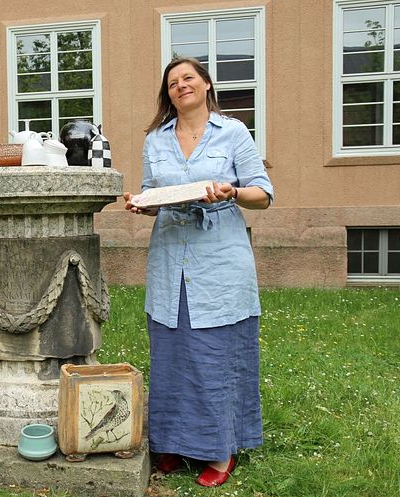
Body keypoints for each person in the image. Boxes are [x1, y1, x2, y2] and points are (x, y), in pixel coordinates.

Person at [123, 57, 274, 487]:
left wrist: (232, 191)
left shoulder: (234, 132)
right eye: (172, 82)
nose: (180, 86)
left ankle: (220, 449)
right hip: (172, 260)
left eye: (188, 78)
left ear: (206, 85)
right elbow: (155, 193)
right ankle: (173, 443)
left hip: (221, 261)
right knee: (172, 354)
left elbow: (262, 194)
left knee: (216, 356)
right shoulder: (156, 140)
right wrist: (143, 204)